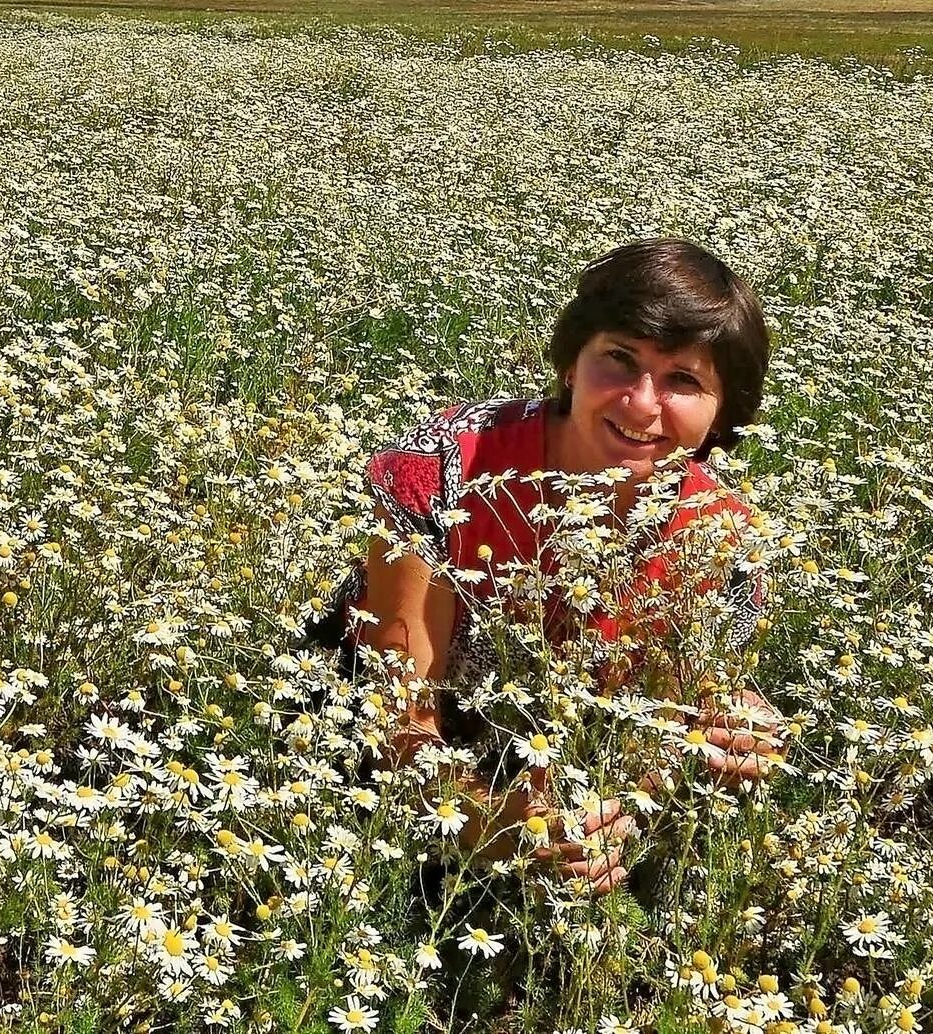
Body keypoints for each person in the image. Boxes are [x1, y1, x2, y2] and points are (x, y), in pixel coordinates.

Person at [329, 237, 785, 896]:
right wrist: (502, 827)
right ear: (571, 363)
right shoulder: (444, 475)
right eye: (619, 360)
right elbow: (398, 723)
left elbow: (675, 721)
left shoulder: (724, 541)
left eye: (684, 380)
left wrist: (726, 732)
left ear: (722, 416)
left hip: (559, 761)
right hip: (373, 764)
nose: (640, 403)